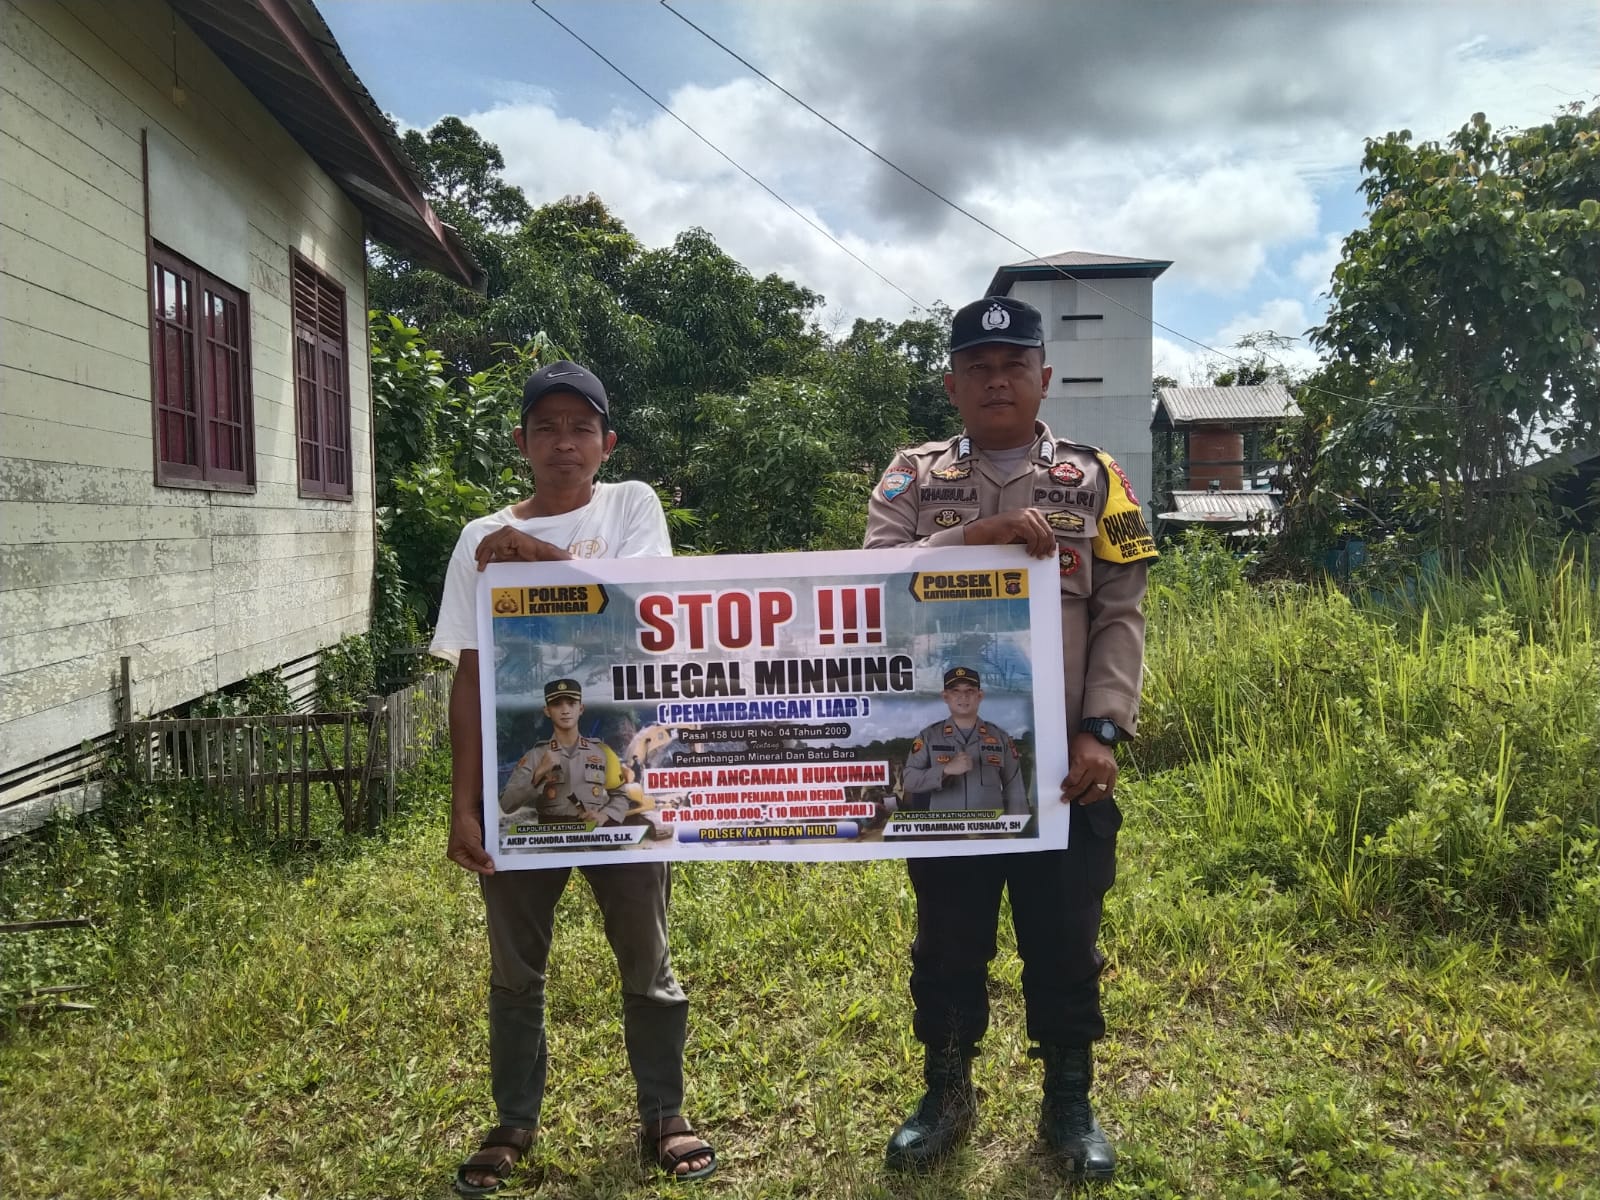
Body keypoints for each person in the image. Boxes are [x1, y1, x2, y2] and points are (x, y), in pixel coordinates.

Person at [864, 296, 1157, 1179]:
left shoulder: (1093, 475)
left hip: (1061, 767)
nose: (997, 379)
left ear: (1044, 378)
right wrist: (972, 538)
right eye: (979, 366)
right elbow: (869, 579)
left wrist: (1103, 729)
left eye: (1013, 364)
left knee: (1065, 939)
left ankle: (1069, 1099)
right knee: (949, 941)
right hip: (951, 765)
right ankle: (946, 1091)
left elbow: (1123, 611)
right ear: (952, 382)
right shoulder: (912, 478)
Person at [431, 360, 716, 1196]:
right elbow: (469, 676)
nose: (564, 441)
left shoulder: (632, 506)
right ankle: (514, 1120)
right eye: (547, 427)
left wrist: (539, 559)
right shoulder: (478, 538)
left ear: (606, 442)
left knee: (647, 954)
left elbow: (642, 608)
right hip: (527, 784)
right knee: (516, 967)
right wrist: (464, 807)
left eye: (580, 427)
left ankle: (665, 1112)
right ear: (521, 442)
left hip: (619, 774)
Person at [500, 679, 631, 825]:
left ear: (581, 709)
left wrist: (605, 815)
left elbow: (621, 795)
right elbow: (506, 804)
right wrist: (538, 774)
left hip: (592, 838)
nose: (565, 710)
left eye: (571, 703)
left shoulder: (602, 753)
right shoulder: (535, 756)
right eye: (557, 704)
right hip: (551, 841)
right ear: (547, 711)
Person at [902, 667, 1027, 816]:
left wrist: (1017, 830)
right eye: (955, 691)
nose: (963, 697)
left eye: (970, 690)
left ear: (980, 696)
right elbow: (909, 780)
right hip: (945, 830)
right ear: (945, 696)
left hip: (991, 831)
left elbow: (1015, 789)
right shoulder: (928, 737)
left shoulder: (1001, 737)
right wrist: (945, 770)